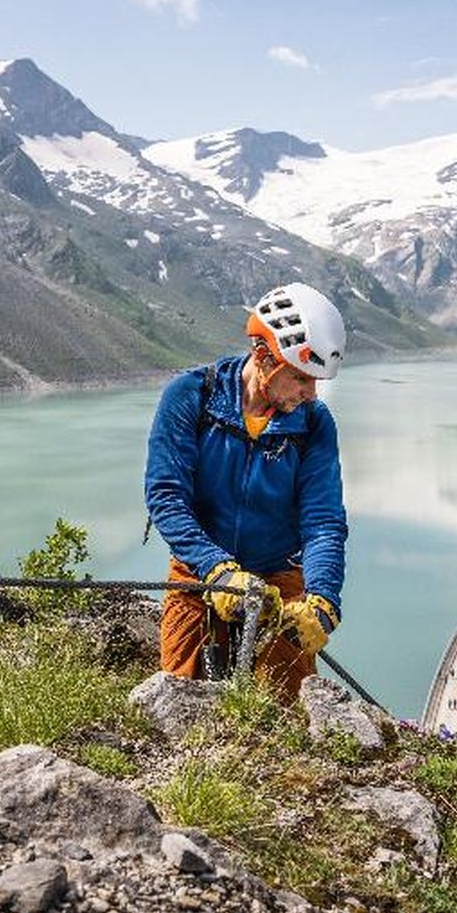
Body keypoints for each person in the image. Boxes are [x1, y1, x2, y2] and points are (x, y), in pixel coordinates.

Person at [144, 282, 348, 700]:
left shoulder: (314, 422)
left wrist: (323, 600)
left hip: (280, 581)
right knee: (180, 701)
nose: (311, 393)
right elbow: (167, 496)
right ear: (263, 355)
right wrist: (216, 569)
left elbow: (323, 520)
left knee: (284, 711)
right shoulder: (192, 396)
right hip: (199, 574)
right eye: (300, 378)